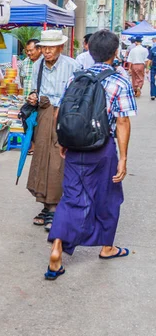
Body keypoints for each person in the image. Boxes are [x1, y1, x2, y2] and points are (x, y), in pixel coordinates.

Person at [45, 30, 137, 280]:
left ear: (90, 51)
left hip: (74, 146)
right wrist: (123, 157)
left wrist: (63, 141)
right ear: (115, 53)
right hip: (102, 147)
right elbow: (122, 122)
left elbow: (59, 113)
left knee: (71, 197)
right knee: (108, 197)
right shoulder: (119, 81)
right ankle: (107, 247)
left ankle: (57, 249)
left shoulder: (75, 78)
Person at [26, 30, 82, 231]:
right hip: (43, 114)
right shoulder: (37, 65)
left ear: (60, 47)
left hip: (64, 117)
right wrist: (33, 97)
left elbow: (78, 96)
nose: (46, 51)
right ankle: (46, 204)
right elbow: (34, 90)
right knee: (41, 159)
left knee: (58, 161)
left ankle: (55, 206)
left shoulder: (72, 66)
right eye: (44, 47)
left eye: (51, 47)